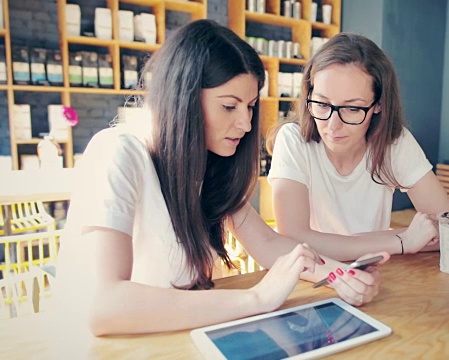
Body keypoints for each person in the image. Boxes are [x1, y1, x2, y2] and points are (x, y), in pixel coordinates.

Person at [53, 20, 387, 337]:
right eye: (229, 107)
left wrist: (341, 275)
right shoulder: (118, 153)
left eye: (251, 106)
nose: (245, 123)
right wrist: (256, 299)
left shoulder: (209, 163)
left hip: (173, 338)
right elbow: (105, 306)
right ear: (182, 99)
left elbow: (268, 243)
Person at [267, 33, 449, 262]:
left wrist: (339, 244)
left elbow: (448, 230)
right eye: (323, 104)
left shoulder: (394, 143)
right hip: (310, 277)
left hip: (372, 273)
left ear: (378, 106)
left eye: (353, 109)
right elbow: (292, 240)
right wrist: (403, 241)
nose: (333, 126)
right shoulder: (294, 140)